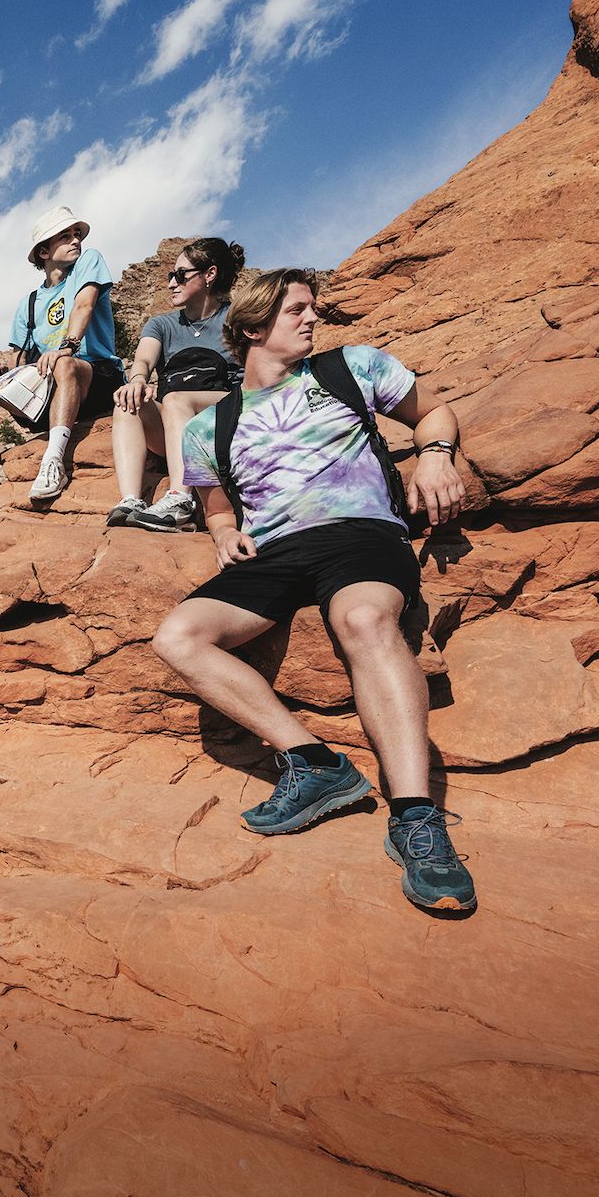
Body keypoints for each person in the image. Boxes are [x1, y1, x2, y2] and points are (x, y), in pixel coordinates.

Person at [149, 268, 478, 915]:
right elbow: (216, 505)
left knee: (361, 620)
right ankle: (314, 761)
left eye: (311, 308)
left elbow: (432, 411)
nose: (311, 319)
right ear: (250, 328)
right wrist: (221, 533)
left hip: (360, 532)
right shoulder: (206, 427)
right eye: (296, 309)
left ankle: (416, 817)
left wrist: (436, 453)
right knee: (177, 636)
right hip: (273, 553)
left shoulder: (349, 368)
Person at [0, 204, 120, 511]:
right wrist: (0, 365)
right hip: (52, 390)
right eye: (64, 236)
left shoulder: (89, 262)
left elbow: (84, 306)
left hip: (98, 377)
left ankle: (54, 461)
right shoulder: (29, 302)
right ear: (43, 252)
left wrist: (67, 346)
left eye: (77, 234)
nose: (76, 240)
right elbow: (23, 356)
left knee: (64, 363)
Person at [110, 237, 245, 532]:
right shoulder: (161, 325)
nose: (172, 282)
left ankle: (181, 498)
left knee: (175, 400)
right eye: (171, 275)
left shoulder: (236, 320)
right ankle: (130, 500)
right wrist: (137, 381)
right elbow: (144, 360)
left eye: (181, 275)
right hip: (174, 425)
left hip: (224, 424)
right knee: (127, 401)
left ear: (209, 274)